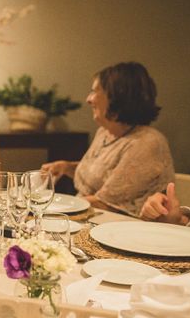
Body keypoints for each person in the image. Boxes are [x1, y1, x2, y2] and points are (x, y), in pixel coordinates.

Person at [42, 62, 174, 216]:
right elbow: (102, 173)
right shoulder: (104, 133)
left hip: (124, 230)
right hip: (93, 219)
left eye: (94, 92)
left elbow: (106, 203)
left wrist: (46, 203)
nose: (88, 99)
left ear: (117, 96)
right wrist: (66, 167)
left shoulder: (147, 142)